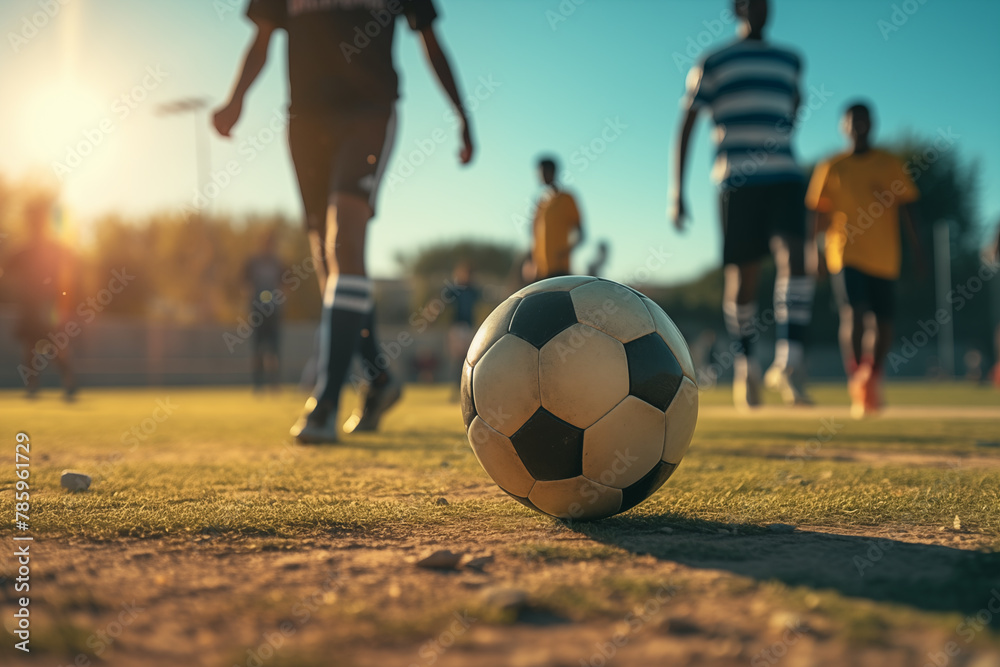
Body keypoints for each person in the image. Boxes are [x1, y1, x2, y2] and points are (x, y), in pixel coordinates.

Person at [214, 0, 474, 443]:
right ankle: (378, 379)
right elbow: (261, 39)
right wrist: (236, 98)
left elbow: (430, 42)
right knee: (328, 263)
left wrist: (462, 115)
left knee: (345, 246)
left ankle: (326, 402)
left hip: (368, 113)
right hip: (305, 120)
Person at [672, 0, 814, 409]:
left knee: (797, 260)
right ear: (736, 9)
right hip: (737, 180)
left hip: (785, 175)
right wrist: (676, 192)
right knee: (743, 280)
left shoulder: (790, 60)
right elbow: (687, 122)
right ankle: (747, 367)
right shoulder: (713, 61)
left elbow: (795, 105)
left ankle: (791, 363)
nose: (759, 7)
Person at [806, 101, 922, 417]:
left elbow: (909, 207)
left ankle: (873, 374)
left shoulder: (890, 164)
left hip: (885, 256)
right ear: (843, 126)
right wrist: (812, 250)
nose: (858, 125)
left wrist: (918, 250)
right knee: (854, 314)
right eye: (852, 120)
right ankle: (857, 375)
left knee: (883, 324)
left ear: (874, 124)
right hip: (844, 252)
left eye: (864, 120)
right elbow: (818, 211)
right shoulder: (831, 166)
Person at [6, 193, 78, 400]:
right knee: (30, 346)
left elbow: (69, 265)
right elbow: (6, 269)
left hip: (48, 306)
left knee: (55, 345)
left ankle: (68, 382)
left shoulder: (54, 248)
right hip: (29, 306)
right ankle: (33, 386)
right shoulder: (23, 250)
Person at [528, 156, 583, 281]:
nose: (540, 176)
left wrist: (564, 252)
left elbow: (581, 234)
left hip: (560, 269)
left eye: (543, 172)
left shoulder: (567, 199)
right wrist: (531, 261)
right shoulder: (541, 202)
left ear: (552, 172)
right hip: (540, 269)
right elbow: (534, 235)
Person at [243, 228, 284, 392]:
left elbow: (286, 285)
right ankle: (258, 384)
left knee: (274, 350)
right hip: (257, 313)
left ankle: (274, 383)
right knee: (258, 349)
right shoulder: (253, 262)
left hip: (274, 313)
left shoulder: (277, 263)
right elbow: (245, 284)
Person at [445, 261, 480, 400]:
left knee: (469, 358)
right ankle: (456, 388)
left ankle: (468, 389)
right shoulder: (455, 290)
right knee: (457, 359)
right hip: (457, 327)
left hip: (469, 327)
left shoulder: (473, 291)